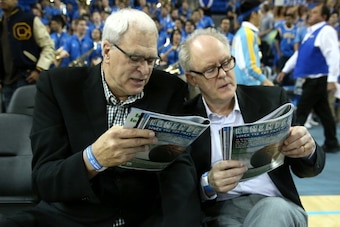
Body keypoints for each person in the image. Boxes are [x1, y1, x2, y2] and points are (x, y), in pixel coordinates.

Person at [0, 8, 201, 227]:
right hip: (74, 216)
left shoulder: (169, 88)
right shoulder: (59, 87)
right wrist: (93, 159)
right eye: (135, 58)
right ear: (106, 51)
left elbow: (179, 169)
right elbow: (44, 180)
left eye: (151, 60)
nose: (144, 70)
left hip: (144, 217)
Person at [178, 28, 325, 226]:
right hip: (219, 213)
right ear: (192, 79)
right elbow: (177, 190)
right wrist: (208, 184)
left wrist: (308, 149)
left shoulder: (271, 100)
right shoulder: (184, 120)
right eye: (211, 70)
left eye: (226, 63)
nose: (223, 74)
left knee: (273, 212)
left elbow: (307, 169)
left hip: (276, 205)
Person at [277, 4, 340, 153]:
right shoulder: (309, 33)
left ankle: (288, 145)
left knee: (302, 111)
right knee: (324, 112)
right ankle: (332, 142)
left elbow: (334, 55)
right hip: (312, 80)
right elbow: (299, 54)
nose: (310, 14)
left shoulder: (326, 31)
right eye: (311, 12)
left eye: (315, 12)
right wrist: (285, 70)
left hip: (319, 79)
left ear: (323, 17)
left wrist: (332, 79)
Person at [0, 0, 54, 111]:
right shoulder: (0, 24)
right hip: (5, 82)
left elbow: (48, 46)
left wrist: (39, 69)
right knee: (8, 123)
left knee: (25, 121)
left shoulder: (29, 19)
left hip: (26, 78)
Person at [231, 0, 273, 86]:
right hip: (248, 84)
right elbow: (249, 66)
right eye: (260, 12)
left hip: (240, 83)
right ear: (254, 14)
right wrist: (264, 80)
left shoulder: (241, 32)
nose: (261, 15)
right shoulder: (248, 34)